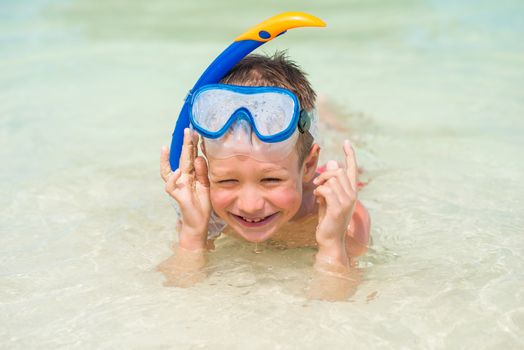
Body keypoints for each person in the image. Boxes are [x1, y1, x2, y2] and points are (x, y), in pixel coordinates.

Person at [158, 52, 371, 299]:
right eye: (227, 181)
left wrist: (333, 241)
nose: (250, 205)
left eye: (271, 180)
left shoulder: (344, 217)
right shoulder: (204, 210)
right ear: (206, 168)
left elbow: (335, 305)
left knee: (341, 141)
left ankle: (329, 117)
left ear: (310, 164)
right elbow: (178, 295)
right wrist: (193, 233)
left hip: (326, 178)